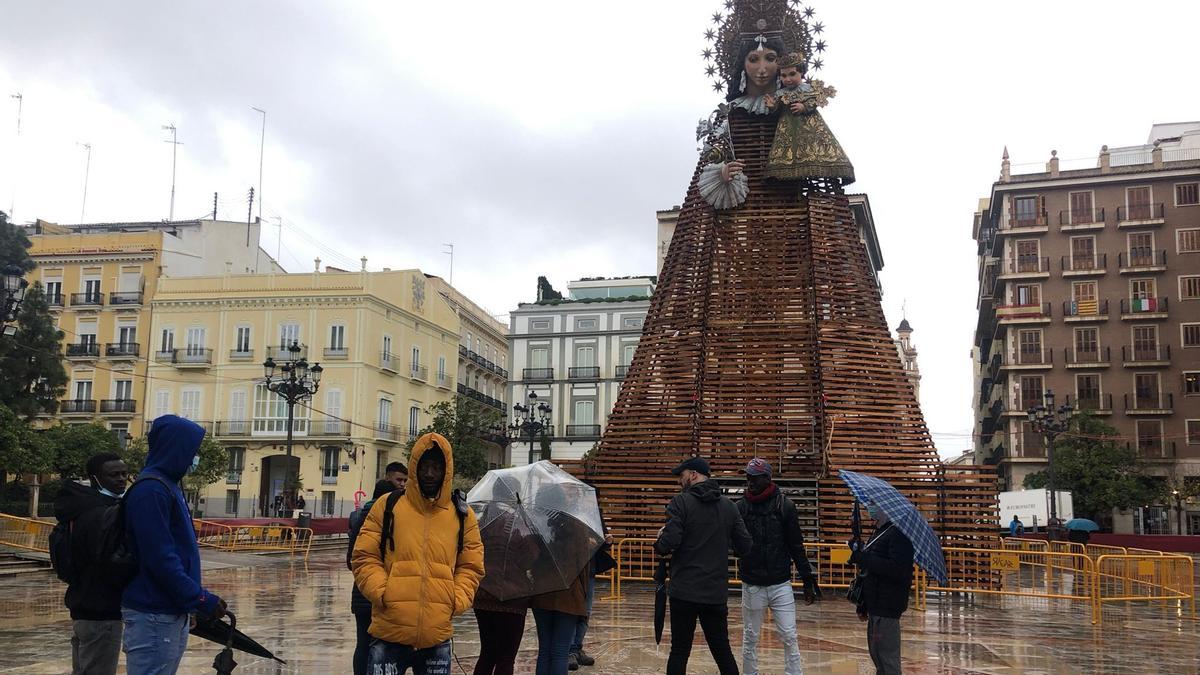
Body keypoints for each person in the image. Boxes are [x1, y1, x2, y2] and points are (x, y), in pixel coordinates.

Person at [352, 434, 484, 673]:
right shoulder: (387, 505)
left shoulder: (462, 515)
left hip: (436, 635)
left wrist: (455, 600)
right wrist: (383, 592)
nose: (430, 474)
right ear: (415, 468)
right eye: (424, 467)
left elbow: (471, 565)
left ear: (446, 471)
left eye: (436, 468)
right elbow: (364, 556)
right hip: (389, 631)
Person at [122, 415, 227, 675]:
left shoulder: (168, 487)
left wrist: (190, 604)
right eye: (191, 451)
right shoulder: (151, 491)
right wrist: (198, 598)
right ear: (176, 449)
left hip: (170, 609)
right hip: (154, 611)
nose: (194, 458)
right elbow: (160, 558)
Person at [654, 457, 753, 675]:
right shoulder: (729, 507)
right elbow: (745, 546)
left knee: (679, 651)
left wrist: (660, 541)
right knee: (722, 651)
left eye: (682, 476)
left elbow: (669, 543)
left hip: (684, 591)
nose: (680, 480)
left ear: (693, 475)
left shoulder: (680, 502)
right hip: (714, 592)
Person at [737, 458, 821, 675]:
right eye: (748, 477)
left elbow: (796, 546)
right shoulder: (740, 507)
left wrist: (807, 580)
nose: (750, 482)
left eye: (755, 478)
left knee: (789, 635)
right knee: (750, 637)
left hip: (780, 583)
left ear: (767, 478)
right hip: (752, 583)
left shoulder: (785, 506)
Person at [54, 453, 129, 675]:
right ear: (95, 478)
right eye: (113, 475)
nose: (121, 479)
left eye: (124, 474)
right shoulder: (101, 514)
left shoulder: (78, 509)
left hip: (82, 606)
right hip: (102, 612)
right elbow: (110, 563)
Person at [763, 51, 854, 182]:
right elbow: (777, 111)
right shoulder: (780, 93)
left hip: (809, 126)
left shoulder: (808, 89)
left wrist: (804, 107)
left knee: (814, 149)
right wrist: (773, 107)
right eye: (783, 75)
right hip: (787, 128)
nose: (787, 79)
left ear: (801, 73)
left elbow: (815, 101)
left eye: (792, 74)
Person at [848, 500, 914, 675]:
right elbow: (871, 567)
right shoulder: (880, 531)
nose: (870, 507)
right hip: (875, 604)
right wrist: (863, 605)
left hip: (888, 606)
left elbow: (897, 570)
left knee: (887, 658)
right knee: (877, 655)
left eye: (873, 504)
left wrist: (864, 558)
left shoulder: (899, 535)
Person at [347, 479, 399, 675]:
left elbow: (351, 559)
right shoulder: (387, 517)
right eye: (400, 481)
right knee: (382, 646)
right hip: (382, 595)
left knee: (363, 644)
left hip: (361, 593)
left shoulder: (359, 517)